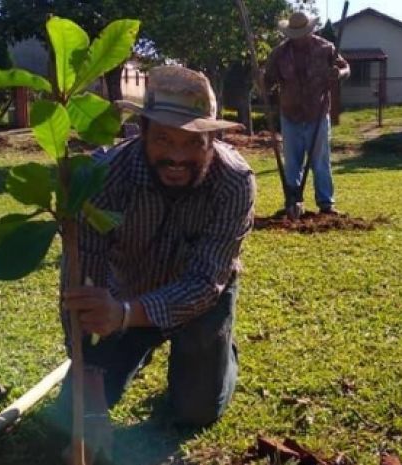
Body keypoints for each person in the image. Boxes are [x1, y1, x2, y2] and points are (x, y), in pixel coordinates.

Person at [58, 66, 255, 464]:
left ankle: (218, 351)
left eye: (193, 142)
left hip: (202, 299)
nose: (177, 156)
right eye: (164, 139)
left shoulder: (235, 182)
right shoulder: (102, 176)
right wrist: (91, 392)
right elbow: (84, 281)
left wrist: (127, 315)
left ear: (213, 139)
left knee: (196, 411)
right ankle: (139, 346)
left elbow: (205, 281)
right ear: (142, 131)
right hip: (123, 294)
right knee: (69, 412)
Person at [265, 11, 350, 216]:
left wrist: (338, 73)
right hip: (290, 115)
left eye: (302, 34)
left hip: (317, 113)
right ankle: (293, 202)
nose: (298, 39)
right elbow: (268, 81)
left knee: (320, 160)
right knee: (292, 162)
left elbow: (346, 67)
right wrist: (261, 81)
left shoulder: (325, 48)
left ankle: (326, 204)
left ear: (310, 31)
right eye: (294, 35)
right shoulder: (279, 53)